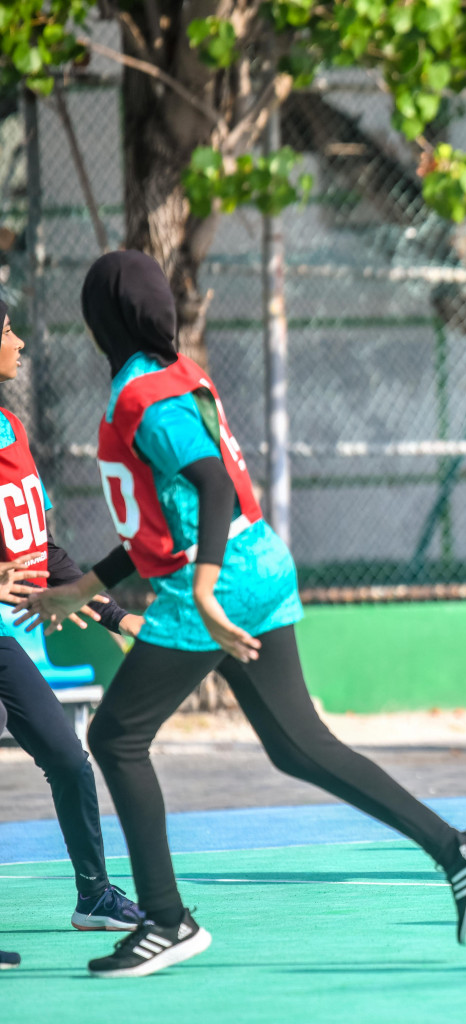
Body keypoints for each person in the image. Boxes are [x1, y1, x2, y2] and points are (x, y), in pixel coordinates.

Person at [18, 251, 466, 978]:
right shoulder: (173, 379)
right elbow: (164, 519)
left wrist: (206, 591)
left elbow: (211, 488)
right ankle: (454, 849)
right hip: (261, 558)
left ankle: (168, 921)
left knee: (117, 738)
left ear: (100, 320)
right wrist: (78, 588)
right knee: (296, 743)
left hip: (220, 575)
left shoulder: (141, 395)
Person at [0, 303, 146, 933]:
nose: (20, 339)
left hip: (5, 642)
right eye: (6, 330)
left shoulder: (10, 427)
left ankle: (93, 895)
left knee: (67, 758)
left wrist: (117, 617)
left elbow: (41, 551)